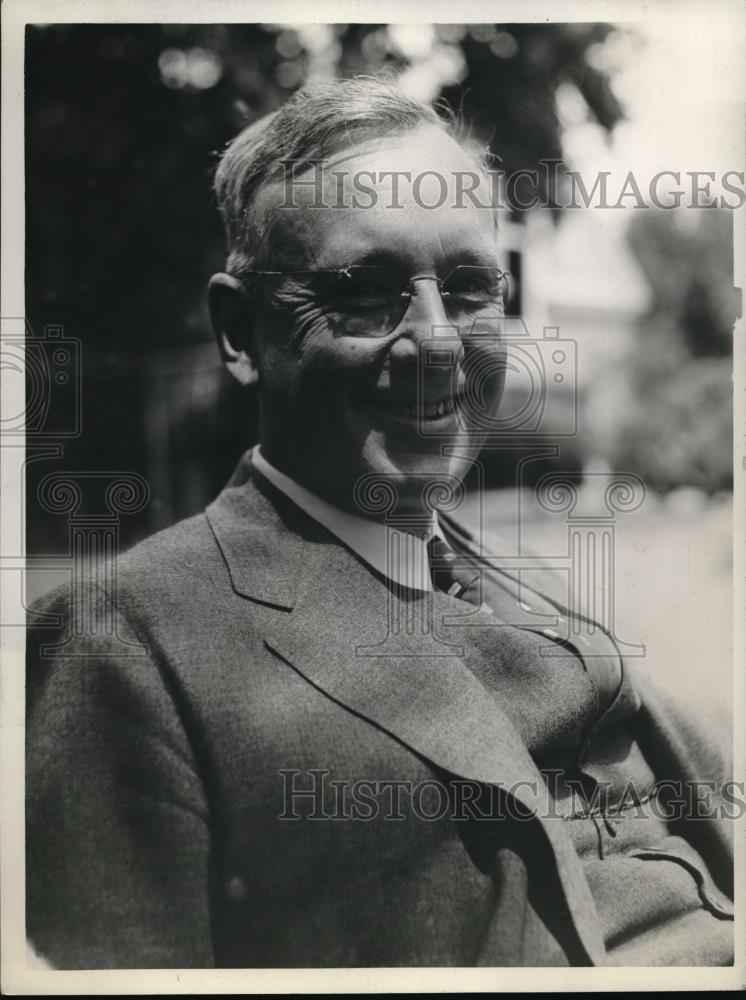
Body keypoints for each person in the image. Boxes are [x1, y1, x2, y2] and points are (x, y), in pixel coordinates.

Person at [26, 77, 734, 969]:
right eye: (367, 291)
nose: (438, 342)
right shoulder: (127, 645)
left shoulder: (521, 591)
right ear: (241, 333)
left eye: (472, 287)